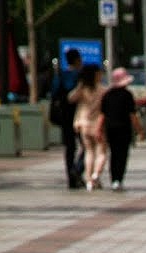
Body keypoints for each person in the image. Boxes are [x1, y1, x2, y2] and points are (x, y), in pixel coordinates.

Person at [101, 66, 141, 191]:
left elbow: (103, 115)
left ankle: (114, 180)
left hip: (110, 129)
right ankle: (119, 179)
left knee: (113, 154)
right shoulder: (127, 95)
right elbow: (132, 115)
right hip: (124, 130)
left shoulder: (107, 95)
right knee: (122, 155)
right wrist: (139, 129)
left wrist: (100, 130)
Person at [50, 47, 84, 189]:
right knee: (88, 145)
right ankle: (77, 169)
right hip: (80, 114)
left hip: (65, 115)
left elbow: (53, 93)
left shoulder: (60, 75)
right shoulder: (80, 76)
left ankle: (71, 176)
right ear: (77, 60)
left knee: (69, 147)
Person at [69, 64, 106, 191]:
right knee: (101, 152)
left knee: (88, 152)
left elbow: (71, 98)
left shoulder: (83, 89)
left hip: (83, 124)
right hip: (98, 125)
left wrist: (79, 86)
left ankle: (89, 179)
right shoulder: (102, 91)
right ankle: (96, 175)